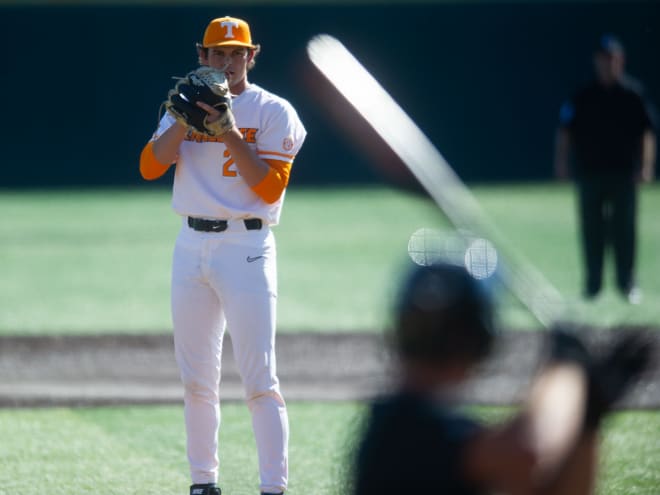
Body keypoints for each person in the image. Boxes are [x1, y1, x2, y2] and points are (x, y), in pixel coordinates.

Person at [139, 16, 306, 495]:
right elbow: (150, 166)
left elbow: (269, 185)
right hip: (190, 245)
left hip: (246, 246)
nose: (226, 62)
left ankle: (273, 487)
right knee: (196, 379)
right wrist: (183, 123)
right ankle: (203, 483)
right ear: (201, 56)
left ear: (252, 56)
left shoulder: (273, 110)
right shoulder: (183, 105)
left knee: (260, 379)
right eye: (217, 53)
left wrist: (230, 131)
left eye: (236, 53)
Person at [351, 261, 651, 495]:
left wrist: (588, 422)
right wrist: (564, 367)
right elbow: (529, 450)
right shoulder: (407, 429)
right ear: (480, 340)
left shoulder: (404, 425)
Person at [554, 34, 657, 303]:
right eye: (603, 59)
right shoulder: (583, 95)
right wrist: (562, 163)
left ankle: (626, 282)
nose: (607, 64)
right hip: (590, 173)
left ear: (620, 61)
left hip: (623, 173)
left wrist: (646, 166)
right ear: (596, 61)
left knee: (625, 230)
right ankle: (593, 285)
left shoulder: (632, 94)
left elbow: (647, 133)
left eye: (612, 59)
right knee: (592, 229)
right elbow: (565, 132)